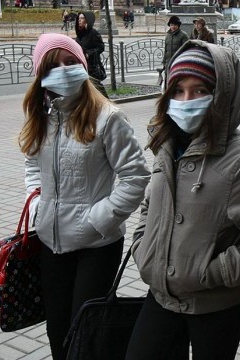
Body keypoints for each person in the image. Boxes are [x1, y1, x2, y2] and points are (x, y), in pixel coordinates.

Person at [125, 40, 240, 360]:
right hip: (159, 297)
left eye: (200, 90)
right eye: (178, 90)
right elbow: (152, 203)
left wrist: (209, 272)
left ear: (221, 96)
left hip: (216, 309)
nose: (186, 100)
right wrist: (143, 248)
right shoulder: (167, 142)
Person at [20, 33, 150, 360]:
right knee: (57, 328)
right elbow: (32, 165)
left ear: (82, 64)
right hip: (50, 240)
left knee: (87, 331)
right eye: (54, 65)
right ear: (41, 75)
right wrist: (37, 205)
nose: (64, 70)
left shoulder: (108, 118)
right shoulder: (41, 117)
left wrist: (99, 219)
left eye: (70, 62)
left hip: (97, 244)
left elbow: (135, 177)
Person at [75, 11, 108, 98]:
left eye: (82, 18)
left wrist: (89, 53)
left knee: (98, 89)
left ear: (87, 20)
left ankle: (109, 105)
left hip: (92, 67)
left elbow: (101, 47)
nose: (79, 20)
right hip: (82, 67)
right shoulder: (79, 34)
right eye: (79, 18)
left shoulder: (93, 33)